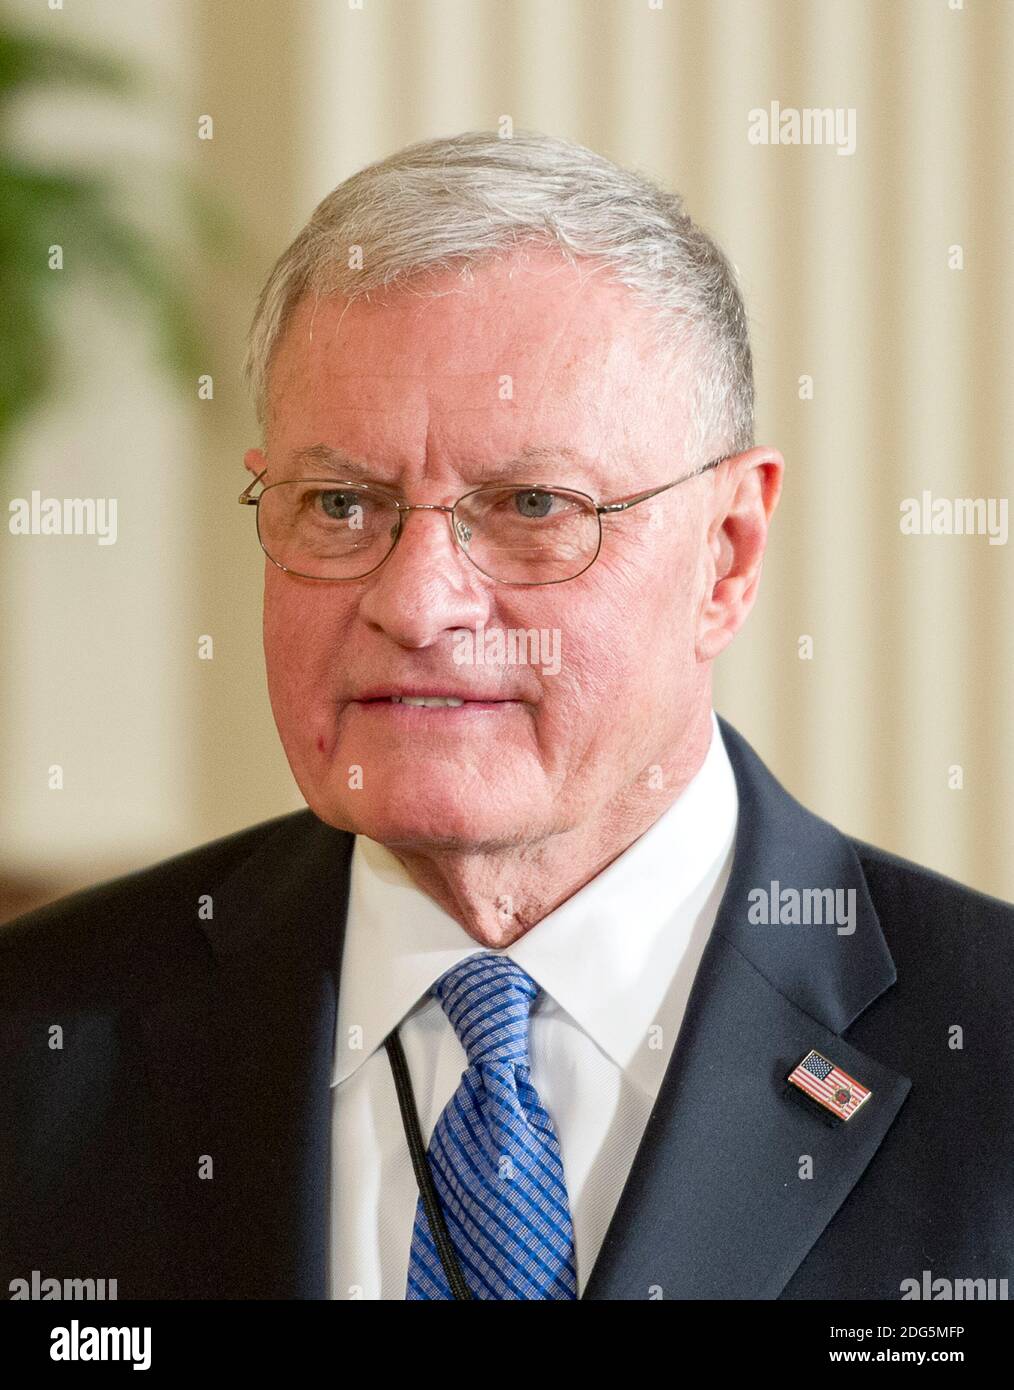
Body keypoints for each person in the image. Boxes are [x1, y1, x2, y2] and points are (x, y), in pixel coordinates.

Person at [2, 130, 1011, 1302]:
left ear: (727, 556)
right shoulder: (38, 1041)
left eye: (533, 503)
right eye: (339, 502)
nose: (416, 602)